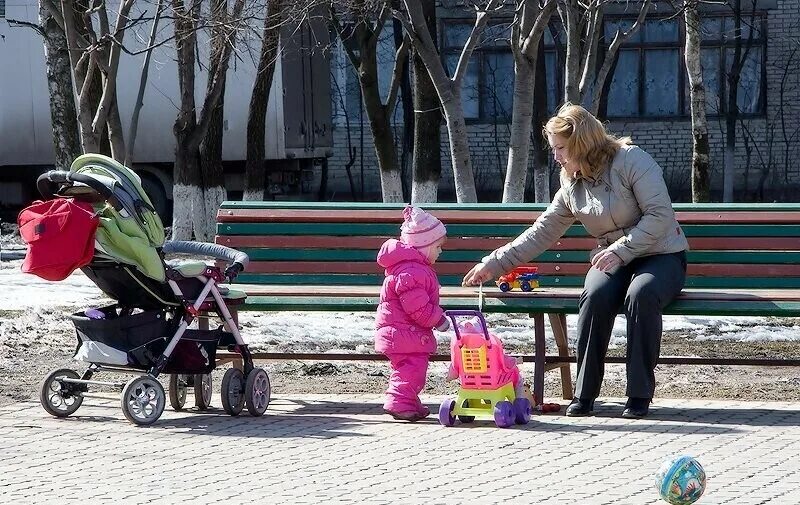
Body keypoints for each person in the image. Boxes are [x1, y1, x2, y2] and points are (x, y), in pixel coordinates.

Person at [462, 103, 689, 419]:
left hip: (661, 256)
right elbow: (542, 231)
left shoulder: (631, 161)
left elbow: (660, 215)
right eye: (553, 148)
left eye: (561, 148)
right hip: (614, 259)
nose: (555, 156)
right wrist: (496, 262)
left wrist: (621, 249)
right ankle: (585, 395)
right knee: (595, 296)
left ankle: (638, 395)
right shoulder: (571, 181)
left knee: (642, 294)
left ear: (581, 143)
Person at [375, 206, 450, 422]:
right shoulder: (412, 272)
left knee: (409, 370)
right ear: (424, 245)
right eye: (437, 247)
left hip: (403, 334)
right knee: (412, 372)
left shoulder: (412, 268)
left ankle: (409, 402)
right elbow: (417, 308)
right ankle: (398, 403)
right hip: (405, 334)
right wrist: (439, 320)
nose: (440, 252)